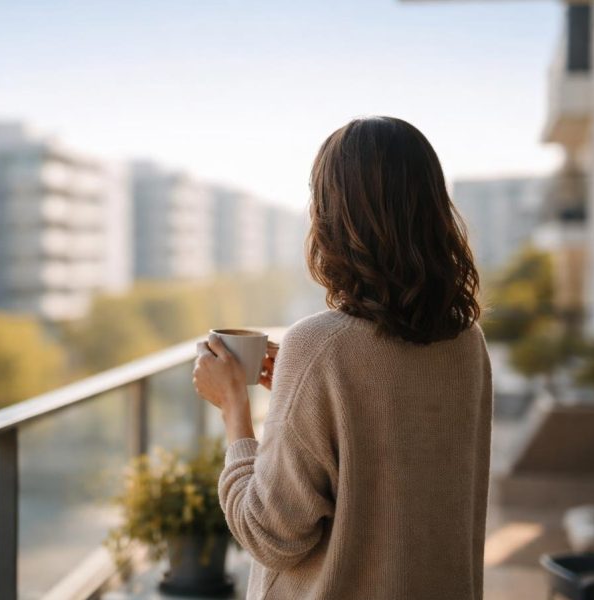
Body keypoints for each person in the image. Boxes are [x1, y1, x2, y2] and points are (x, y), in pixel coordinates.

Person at [193, 116, 492, 599]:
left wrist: (233, 408)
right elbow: (396, 448)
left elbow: (270, 535)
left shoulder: (319, 346)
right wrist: (298, 395)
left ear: (334, 215)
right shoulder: (467, 342)